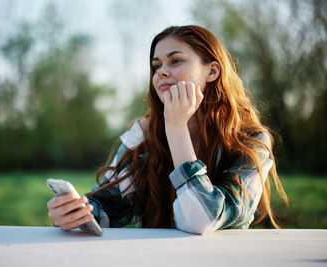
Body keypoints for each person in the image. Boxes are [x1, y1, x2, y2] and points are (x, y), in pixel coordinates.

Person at [47, 25, 288, 235]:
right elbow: (111, 205)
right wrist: (77, 213)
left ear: (212, 71)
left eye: (176, 61)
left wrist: (176, 128)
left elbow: (201, 220)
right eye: (156, 65)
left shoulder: (250, 141)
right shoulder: (143, 135)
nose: (161, 71)